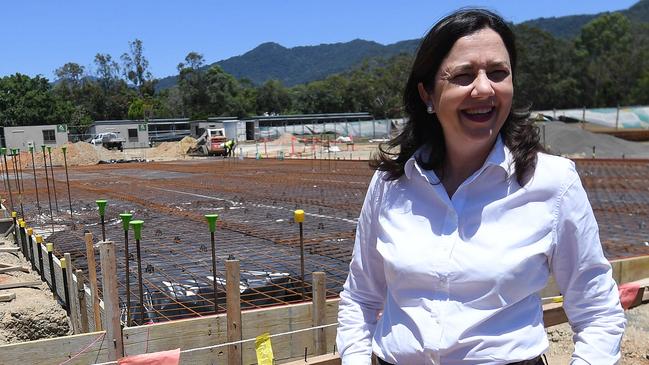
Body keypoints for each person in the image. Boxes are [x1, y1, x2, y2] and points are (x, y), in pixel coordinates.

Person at [336, 9, 625, 365]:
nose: (485, 88)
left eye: (499, 73)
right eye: (464, 75)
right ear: (427, 94)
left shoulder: (552, 182)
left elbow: (596, 309)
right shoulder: (391, 183)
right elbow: (361, 299)